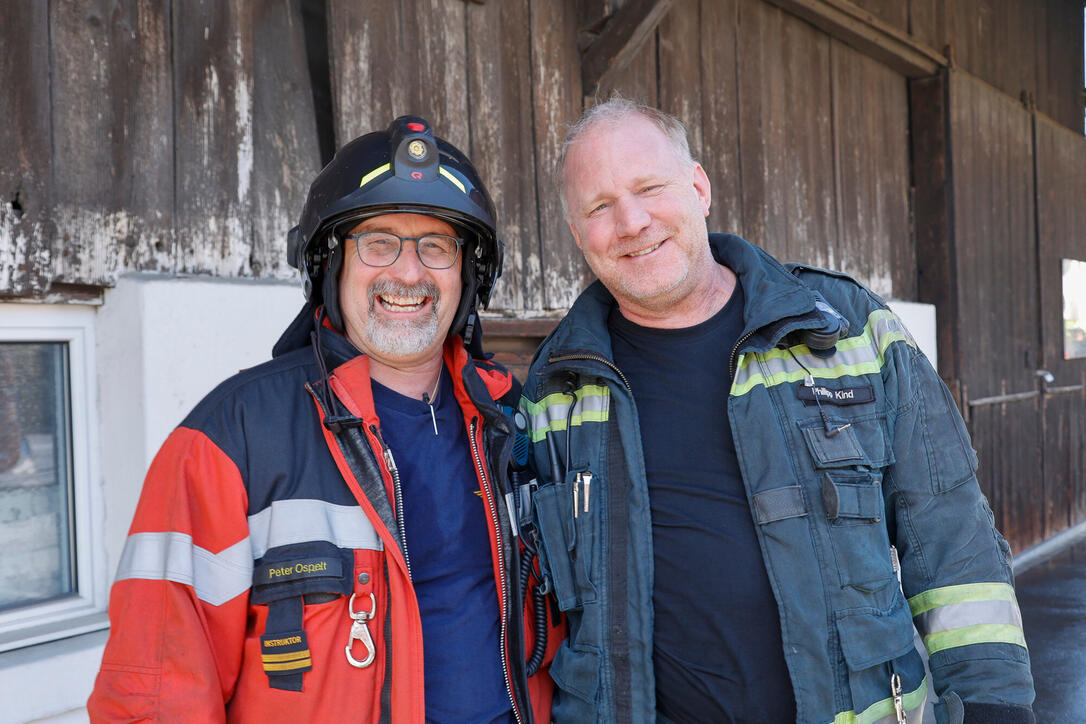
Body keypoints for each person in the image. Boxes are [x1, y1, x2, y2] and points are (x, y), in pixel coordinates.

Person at [519, 98, 1035, 723]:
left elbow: (952, 536)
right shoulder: (555, 389)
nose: (631, 222)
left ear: (698, 187)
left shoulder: (845, 329)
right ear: (578, 234)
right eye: (599, 207)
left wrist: (994, 705)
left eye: (648, 187)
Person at [89, 116, 556, 722]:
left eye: (436, 245)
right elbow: (153, 694)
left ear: (469, 273)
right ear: (329, 264)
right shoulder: (230, 439)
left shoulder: (514, 425)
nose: (409, 273)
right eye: (378, 240)